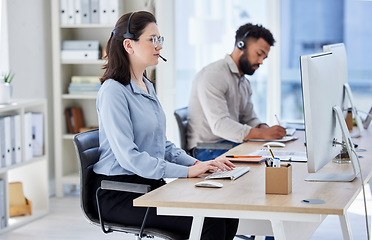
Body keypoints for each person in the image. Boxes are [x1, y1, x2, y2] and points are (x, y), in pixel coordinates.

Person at [93, 11, 239, 240]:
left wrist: (200, 164)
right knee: (209, 221)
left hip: (149, 184)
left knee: (226, 212)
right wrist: (187, 172)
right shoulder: (113, 91)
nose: (159, 46)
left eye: (160, 39)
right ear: (129, 45)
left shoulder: (146, 85)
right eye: (152, 39)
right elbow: (130, 158)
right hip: (121, 192)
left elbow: (164, 145)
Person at [187, 23, 286, 161]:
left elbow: (249, 118)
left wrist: (263, 127)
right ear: (241, 45)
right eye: (259, 54)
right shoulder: (214, 75)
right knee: (264, 163)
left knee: (273, 156)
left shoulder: (243, 82)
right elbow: (220, 125)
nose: (261, 62)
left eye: (264, 58)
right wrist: (262, 134)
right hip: (208, 149)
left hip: (230, 144)